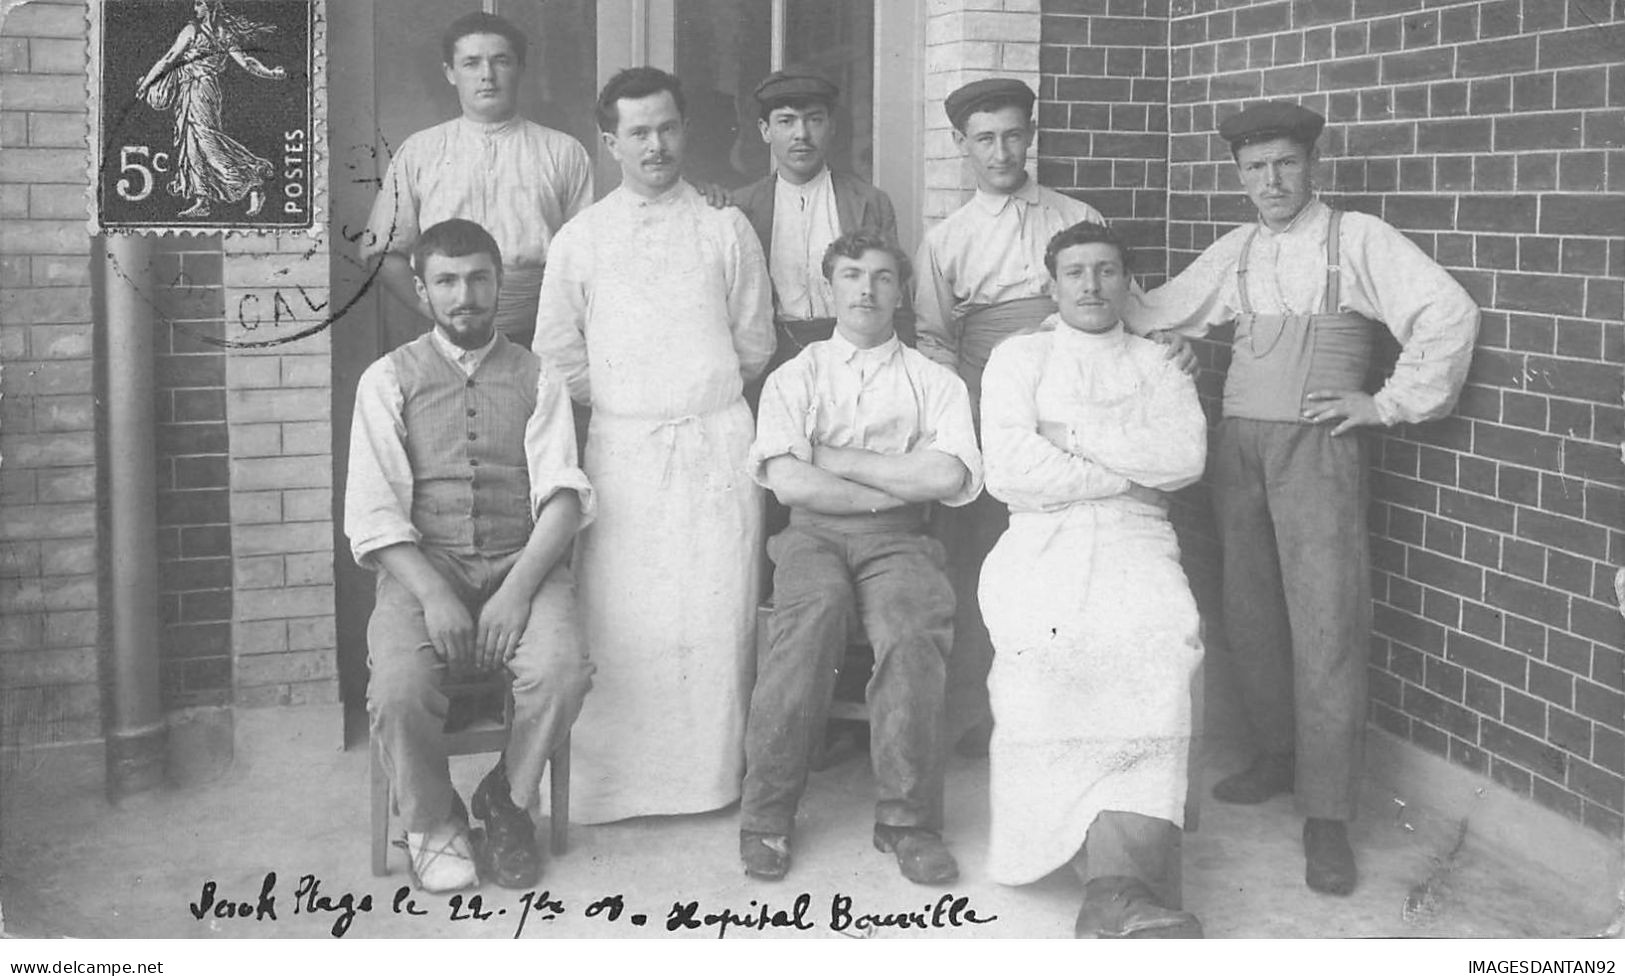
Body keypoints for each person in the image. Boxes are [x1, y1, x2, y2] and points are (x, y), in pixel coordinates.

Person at [1127, 101, 1480, 896]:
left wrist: (1382, 403)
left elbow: (1448, 312)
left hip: (1320, 449)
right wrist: (1170, 342)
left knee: (1325, 622)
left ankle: (1327, 816)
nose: (1271, 181)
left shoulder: (1355, 239)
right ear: (1238, 176)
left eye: (1285, 163)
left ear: (1311, 165)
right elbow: (1153, 311)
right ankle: (1276, 757)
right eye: (1255, 168)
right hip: (1238, 450)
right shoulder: (1237, 251)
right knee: (1249, 611)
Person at [913, 78, 1192, 757]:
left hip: (1073, 398)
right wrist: (970, 424)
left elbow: (1118, 303)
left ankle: (1074, 714)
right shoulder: (945, 240)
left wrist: (1166, 339)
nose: (1001, 151)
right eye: (984, 139)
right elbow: (933, 341)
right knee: (985, 559)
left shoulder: (1072, 214)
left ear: (1030, 136)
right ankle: (982, 717)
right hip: (988, 403)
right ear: (961, 146)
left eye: (1012, 135)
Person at [532, 67, 775, 824]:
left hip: (713, 447)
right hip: (626, 451)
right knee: (626, 617)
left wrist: (695, 397)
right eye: (638, 132)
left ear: (684, 131)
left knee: (712, 615)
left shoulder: (722, 226)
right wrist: (628, 402)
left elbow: (754, 340)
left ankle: (708, 781)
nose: (656, 145)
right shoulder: (582, 238)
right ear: (610, 144)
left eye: (667, 127)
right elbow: (557, 351)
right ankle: (613, 789)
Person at [344, 218, 594, 893]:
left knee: (561, 668)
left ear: (498, 283)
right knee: (399, 688)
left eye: (479, 278)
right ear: (421, 291)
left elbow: (563, 498)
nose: (465, 295)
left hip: (522, 564)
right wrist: (432, 595)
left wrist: (516, 592)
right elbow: (374, 514)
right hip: (426, 568)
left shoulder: (538, 378)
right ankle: (433, 819)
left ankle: (505, 802)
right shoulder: (387, 379)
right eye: (447, 282)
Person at [979, 221, 1207, 938]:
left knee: (1156, 650)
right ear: (1051, 284)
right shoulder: (1018, 359)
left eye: (1106, 271)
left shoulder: (1158, 362)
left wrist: (1068, 438)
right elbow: (1011, 468)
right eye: (1074, 272)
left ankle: (1119, 886)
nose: (1089, 285)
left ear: (1126, 282)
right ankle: (1071, 844)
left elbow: (1182, 459)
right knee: (1055, 655)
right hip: (1040, 540)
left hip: (1138, 539)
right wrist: (1121, 475)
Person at [742, 231, 982, 885]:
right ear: (831, 287)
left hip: (902, 540)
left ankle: (908, 821)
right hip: (811, 536)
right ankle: (766, 816)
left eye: (881, 277)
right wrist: (889, 481)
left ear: (899, 291)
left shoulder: (934, 381)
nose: (866, 290)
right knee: (808, 619)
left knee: (910, 627)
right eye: (851, 275)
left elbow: (946, 478)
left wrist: (837, 459)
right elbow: (788, 483)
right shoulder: (796, 375)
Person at [360, 12, 593, 349]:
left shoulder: (564, 151)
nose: (487, 75)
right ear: (450, 73)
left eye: (501, 61)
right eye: (471, 63)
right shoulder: (419, 151)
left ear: (520, 68)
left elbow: (585, 258)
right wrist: (435, 308)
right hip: (445, 331)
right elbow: (380, 252)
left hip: (539, 331)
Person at [732, 70, 903, 363]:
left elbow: (894, 297)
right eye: (786, 121)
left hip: (853, 351)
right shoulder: (741, 208)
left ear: (831, 126)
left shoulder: (870, 202)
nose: (802, 134)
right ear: (765, 130)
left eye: (814, 119)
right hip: (771, 354)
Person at [133, 0, 287, 219]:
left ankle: (253, 179)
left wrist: (146, 83)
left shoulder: (203, 31)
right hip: (191, 89)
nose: (195, 8)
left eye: (199, 3)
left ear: (211, 5)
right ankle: (202, 199)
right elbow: (171, 59)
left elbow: (169, 59)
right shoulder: (208, 31)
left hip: (202, 91)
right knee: (192, 144)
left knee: (207, 141)